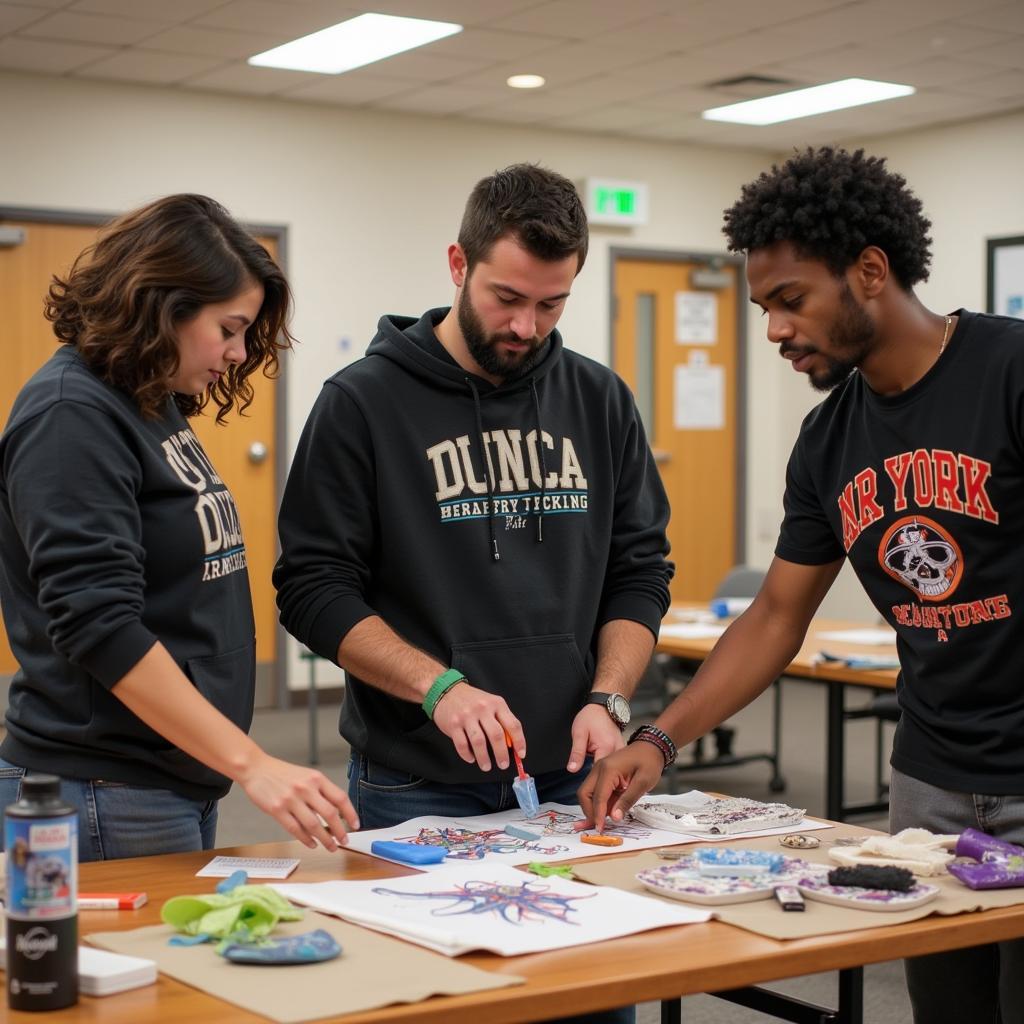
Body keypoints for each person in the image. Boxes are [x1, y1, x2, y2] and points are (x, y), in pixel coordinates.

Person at [577, 146, 1024, 1024]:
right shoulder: (829, 442)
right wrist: (657, 743)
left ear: (869, 271)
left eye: (792, 300)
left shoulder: (1007, 372)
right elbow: (777, 616)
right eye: (764, 308)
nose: (775, 328)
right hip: (928, 783)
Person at [274, 162, 672, 826]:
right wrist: (438, 689)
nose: (526, 327)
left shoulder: (600, 400)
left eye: (552, 303)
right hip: (415, 779)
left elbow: (640, 571)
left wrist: (610, 699)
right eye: (507, 298)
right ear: (459, 264)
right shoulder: (362, 402)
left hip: (569, 773)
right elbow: (313, 589)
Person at [0, 194, 359, 862]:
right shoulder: (70, 416)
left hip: (170, 774)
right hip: (103, 784)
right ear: (161, 308)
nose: (237, 352)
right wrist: (254, 763)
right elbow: (99, 625)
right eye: (228, 328)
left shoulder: (145, 401)